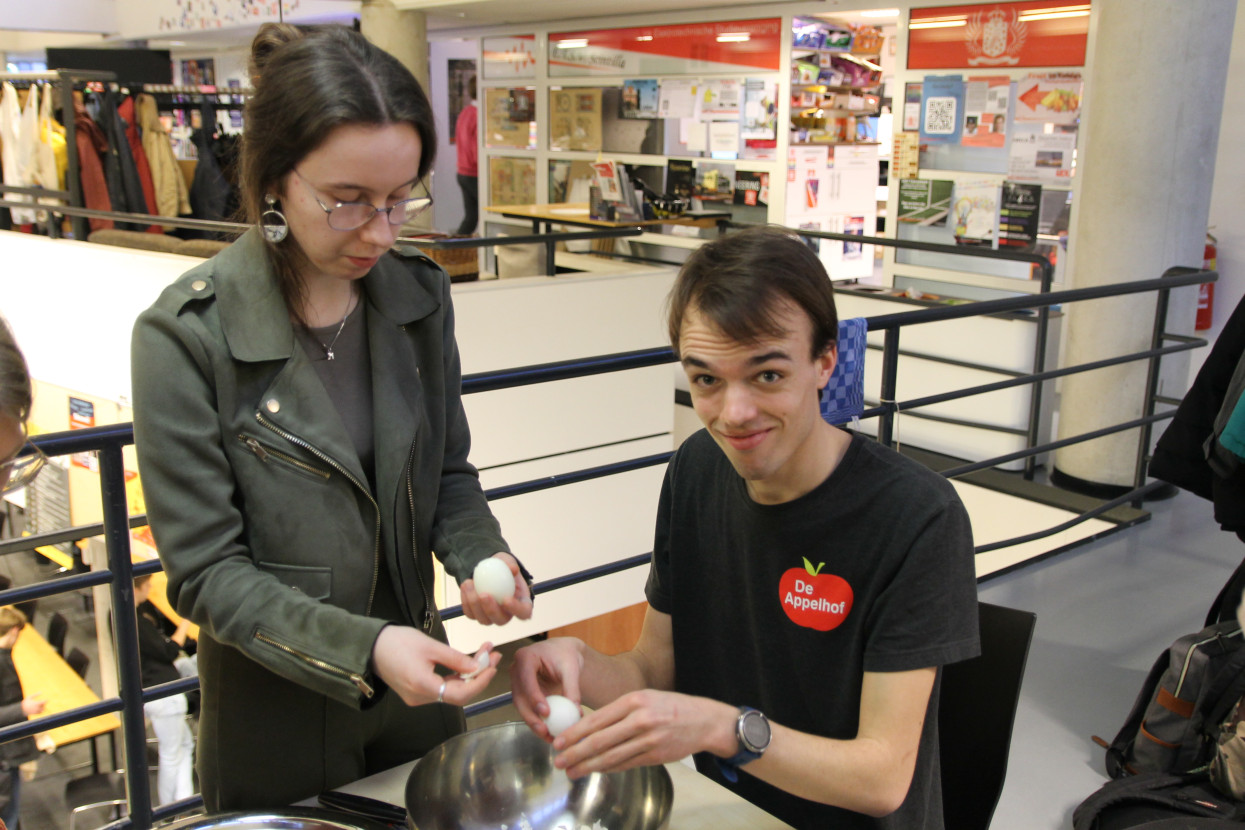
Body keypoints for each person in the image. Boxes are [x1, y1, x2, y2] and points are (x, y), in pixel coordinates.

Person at [130, 23, 534, 811]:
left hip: (418, 693)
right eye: (348, 202)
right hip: (275, 712)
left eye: (399, 199)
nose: (380, 231)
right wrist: (369, 646)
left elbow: (446, 470)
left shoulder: (417, 296)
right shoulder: (186, 336)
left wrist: (481, 555)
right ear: (276, 178)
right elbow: (207, 573)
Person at [510, 226, 980, 829]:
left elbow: (882, 777)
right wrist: (577, 660)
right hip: (724, 812)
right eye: (706, 379)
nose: (732, 415)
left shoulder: (916, 516)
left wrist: (719, 728)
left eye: (766, 376)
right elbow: (655, 667)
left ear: (824, 362)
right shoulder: (696, 470)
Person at [133, 574, 197, 805]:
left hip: (155, 690)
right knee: (171, 755)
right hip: (163, 695)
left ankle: (183, 800)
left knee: (186, 744)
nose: (149, 590)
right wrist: (186, 622)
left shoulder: (125, 615)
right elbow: (170, 650)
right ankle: (169, 811)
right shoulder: (136, 621)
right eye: (146, 586)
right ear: (136, 588)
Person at [0, 606, 47, 830]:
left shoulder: (4, 657)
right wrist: (22, 708)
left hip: (8, 753)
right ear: (12, 632)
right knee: (8, 814)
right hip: (5, 757)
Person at [454, 77, 478, 236]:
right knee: (480, 216)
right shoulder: (477, 115)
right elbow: (476, 149)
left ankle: (455, 251)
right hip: (474, 173)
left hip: (463, 172)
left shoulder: (465, 112)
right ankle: (455, 250)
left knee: (471, 217)